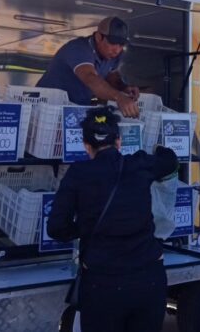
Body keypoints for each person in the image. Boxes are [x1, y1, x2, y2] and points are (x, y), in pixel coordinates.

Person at [47, 107, 178, 332]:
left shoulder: (78, 173)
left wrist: (83, 228)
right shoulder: (140, 164)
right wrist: (160, 149)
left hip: (102, 283)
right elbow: (170, 160)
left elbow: (56, 227)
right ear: (118, 141)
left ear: (86, 145)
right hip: (148, 279)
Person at [37, 16, 140, 117]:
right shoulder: (78, 48)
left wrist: (124, 88)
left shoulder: (115, 54)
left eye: (121, 44)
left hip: (73, 109)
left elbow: (110, 76)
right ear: (99, 37)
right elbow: (90, 77)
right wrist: (119, 97)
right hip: (46, 105)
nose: (117, 50)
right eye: (112, 43)